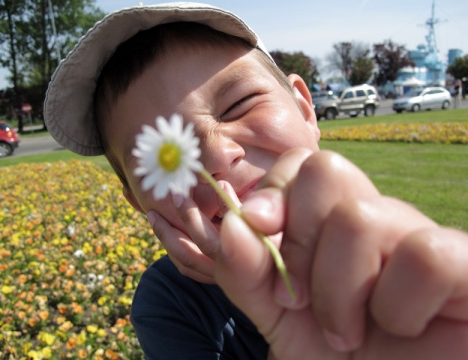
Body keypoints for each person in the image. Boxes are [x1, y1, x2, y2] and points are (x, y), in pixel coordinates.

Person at [44, 3, 468, 359]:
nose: (214, 156)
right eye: (161, 159)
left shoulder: (397, 253)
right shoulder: (169, 304)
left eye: (239, 105)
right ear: (138, 202)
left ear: (305, 108)